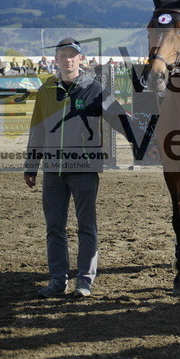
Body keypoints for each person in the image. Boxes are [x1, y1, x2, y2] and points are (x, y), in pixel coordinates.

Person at [23, 38, 140, 299]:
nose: (68, 59)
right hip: (53, 171)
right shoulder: (45, 90)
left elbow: (120, 120)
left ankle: (84, 281)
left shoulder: (95, 89)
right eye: (63, 55)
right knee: (55, 228)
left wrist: (143, 143)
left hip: (85, 169)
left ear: (80, 59)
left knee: (86, 227)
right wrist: (31, 166)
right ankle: (57, 280)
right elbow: (38, 131)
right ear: (57, 59)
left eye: (72, 55)